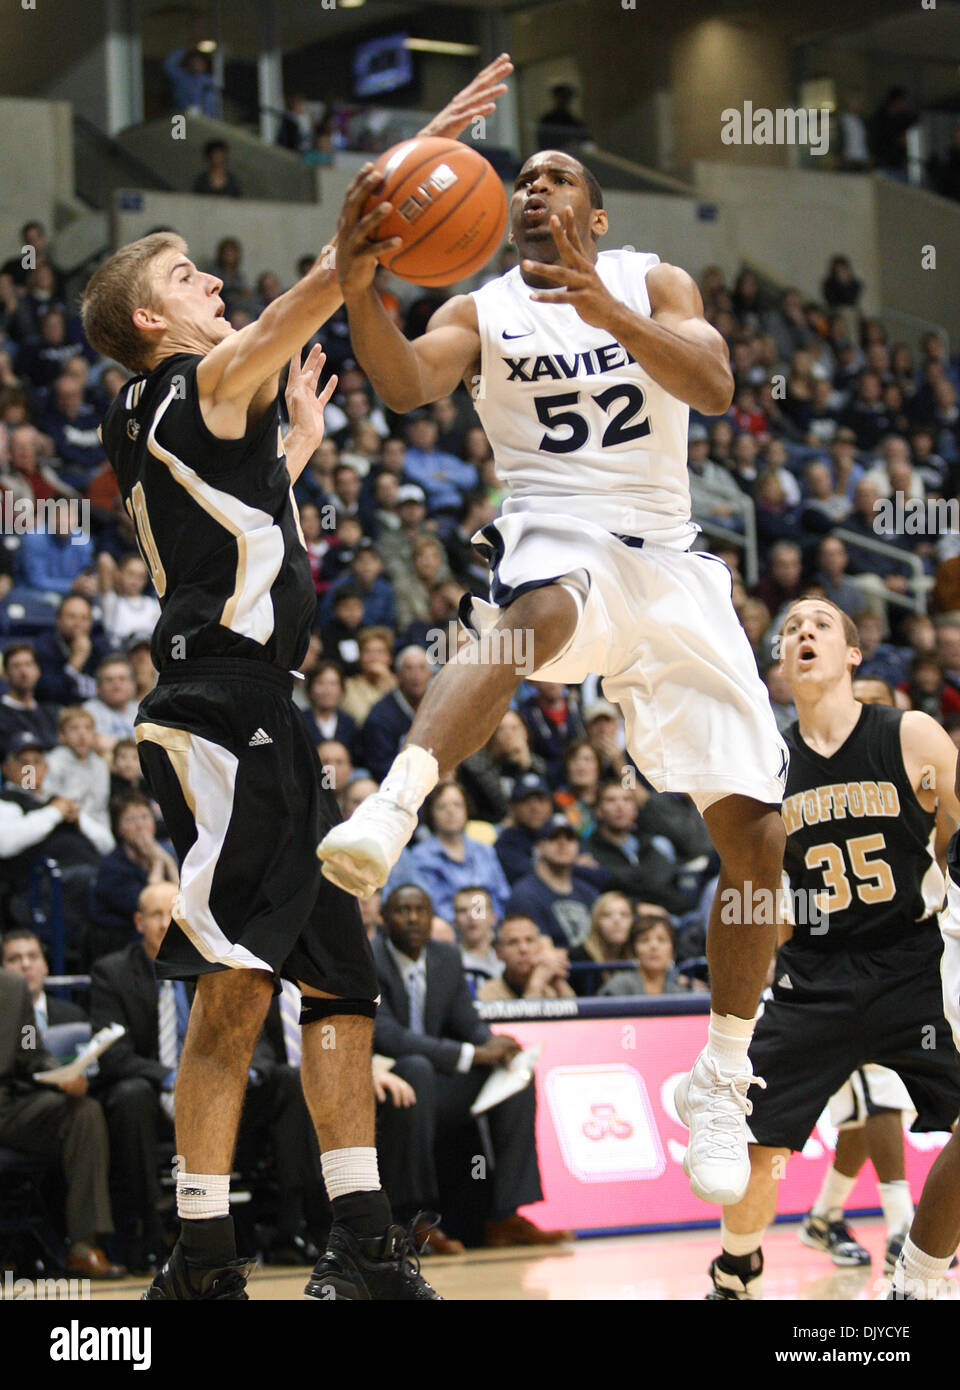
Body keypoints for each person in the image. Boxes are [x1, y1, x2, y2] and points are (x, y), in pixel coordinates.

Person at [78, 53, 513, 1302]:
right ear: (153, 322)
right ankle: (219, 1253)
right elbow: (326, 285)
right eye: (185, 276)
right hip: (226, 706)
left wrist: (299, 465)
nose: (212, 279)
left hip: (252, 702)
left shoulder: (196, 419)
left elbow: (253, 548)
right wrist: (409, 162)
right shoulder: (186, 383)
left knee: (310, 977)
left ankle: (328, 1243)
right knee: (245, 977)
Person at [322, 143, 790, 1214]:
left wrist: (607, 310)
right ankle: (395, 803)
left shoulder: (653, 279)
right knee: (532, 614)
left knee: (759, 838)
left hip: (671, 561)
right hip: (556, 530)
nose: (534, 187)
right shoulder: (483, 311)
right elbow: (402, 384)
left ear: (599, 211)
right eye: (522, 178)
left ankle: (719, 1069)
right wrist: (359, 292)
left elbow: (714, 385)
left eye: (558, 176)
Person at [707, 598, 960, 1299]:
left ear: (853, 654)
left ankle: (920, 1278)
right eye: (790, 630)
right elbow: (753, 891)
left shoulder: (912, 735)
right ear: (781, 665)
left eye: (819, 624)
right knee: (755, 1152)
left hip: (913, 960)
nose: (802, 633)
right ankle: (736, 1269)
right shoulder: (765, 765)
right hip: (814, 972)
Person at [372, 884, 570, 1247]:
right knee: (416, 1066)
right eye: (403, 910)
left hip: (435, 1084)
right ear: (384, 919)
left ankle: (505, 1215)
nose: (413, 917)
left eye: (421, 910)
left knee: (515, 1074)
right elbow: (387, 1035)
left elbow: (468, 1021)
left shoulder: (445, 958)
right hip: (383, 1080)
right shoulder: (370, 959)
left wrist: (492, 1043)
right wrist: (469, 1055)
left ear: (432, 918)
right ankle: (416, 1219)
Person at [0, 966, 125, 1277]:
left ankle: (84, 1245)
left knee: (83, 1112)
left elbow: (30, 1049)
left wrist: (61, 1076)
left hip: (8, 1104)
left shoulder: (13, 987)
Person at [1, 927, 88, 1032]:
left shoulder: (73, 1016)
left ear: (45, 966)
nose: (26, 965)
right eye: (14, 959)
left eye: (33, 956)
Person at [478, 914, 576, 1000]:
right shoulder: (487, 993)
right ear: (498, 952)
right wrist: (535, 986)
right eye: (513, 942)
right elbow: (525, 1021)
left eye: (529, 940)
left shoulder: (550, 989)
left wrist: (558, 981)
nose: (523, 949)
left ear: (540, 946)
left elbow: (576, 1019)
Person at [598, 906, 686, 997]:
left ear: (672, 949)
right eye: (644, 940)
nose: (653, 946)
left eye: (661, 940)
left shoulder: (680, 992)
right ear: (634, 950)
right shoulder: (617, 987)